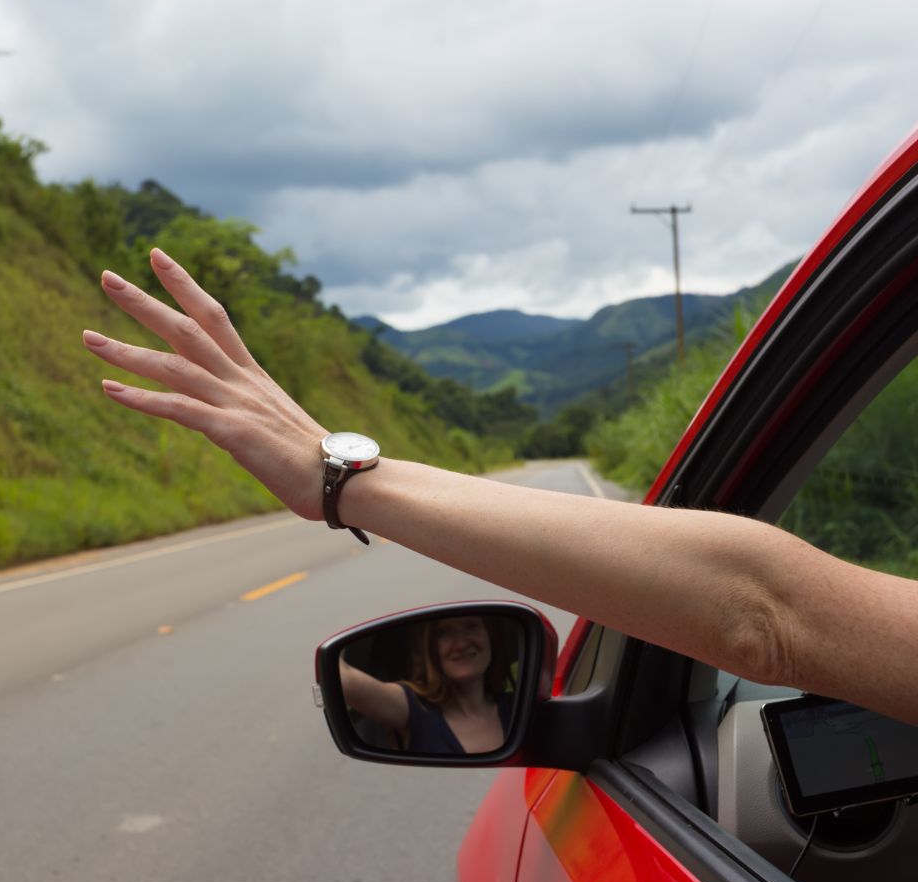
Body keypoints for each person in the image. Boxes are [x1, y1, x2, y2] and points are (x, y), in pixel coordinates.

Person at [82, 249, 918, 726]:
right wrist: (343, 479)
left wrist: (344, 482)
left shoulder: (455, 717)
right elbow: (760, 614)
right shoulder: (432, 715)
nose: (456, 649)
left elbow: (763, 616)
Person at [339, 614, 516, 754]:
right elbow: (345, 679)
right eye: (443, 633)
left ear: (490, 637)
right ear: (428, 648)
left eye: (471, 626)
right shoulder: (413, 706)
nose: (461, 643)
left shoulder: (519, 706)